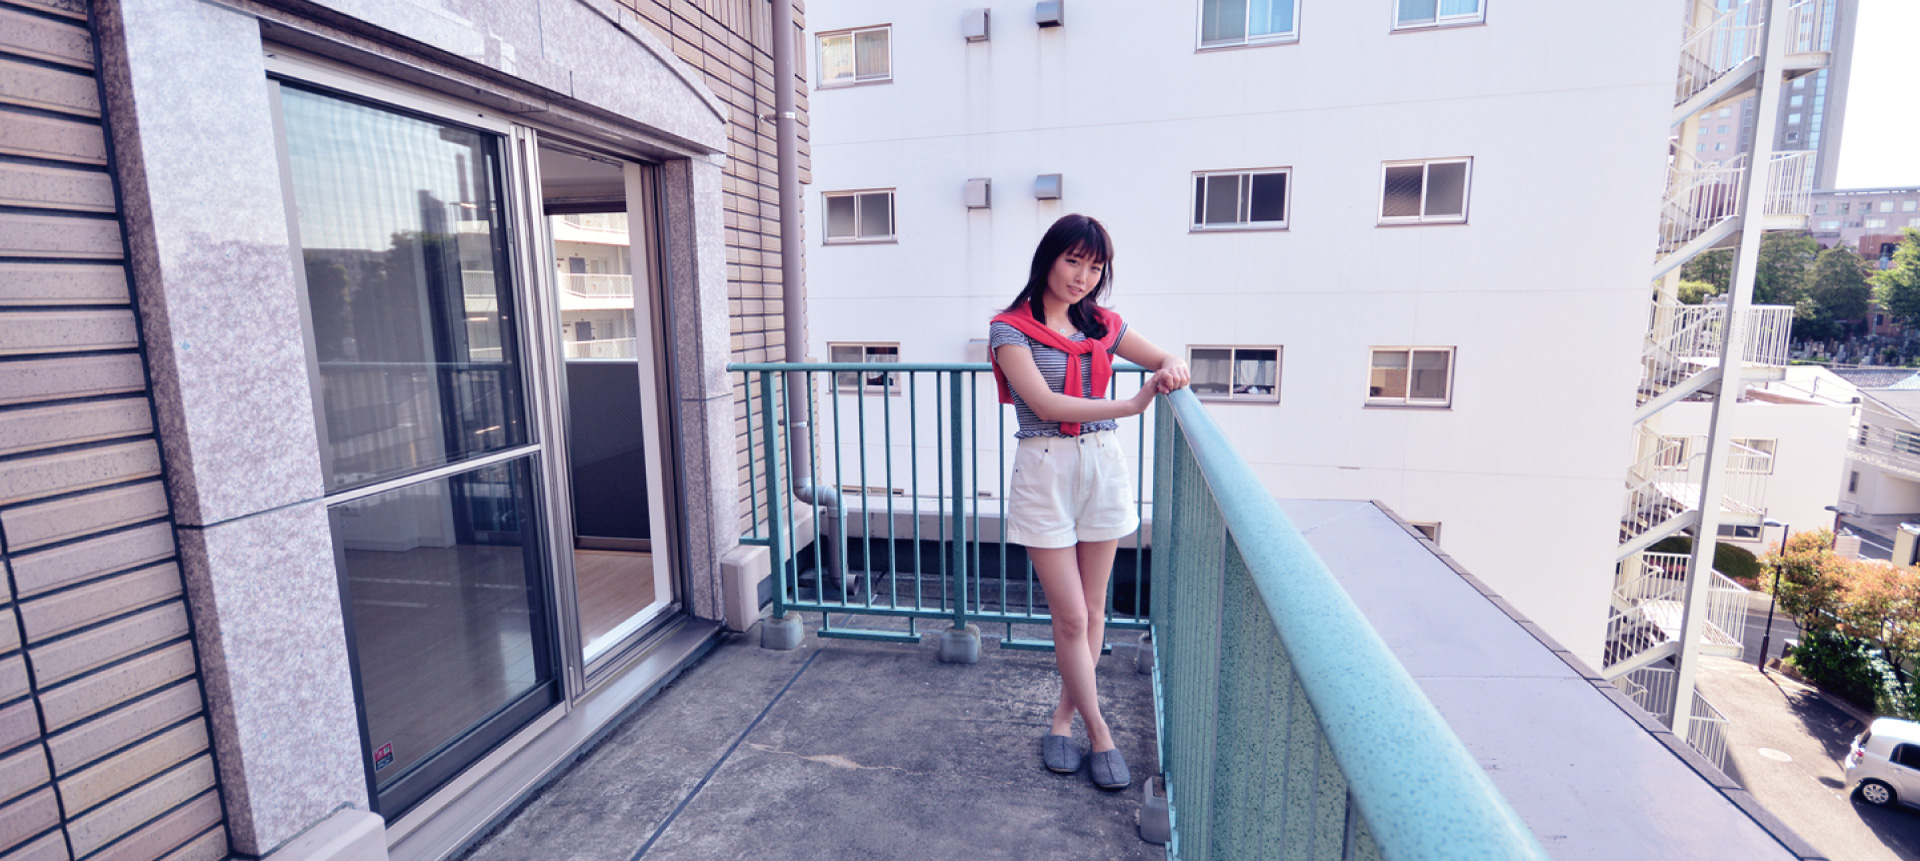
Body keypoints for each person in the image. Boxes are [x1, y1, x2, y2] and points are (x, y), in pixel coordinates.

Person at [988, 214, 1189, 791]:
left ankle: (1063, 719)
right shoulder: (1009, 329)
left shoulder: (1102, 325)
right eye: (1073, 261)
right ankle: (1101, 733)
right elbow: (1045, 405)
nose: (1083, 277)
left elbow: (1164, 358)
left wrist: (1173, 368)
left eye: (1095, 267)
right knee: (1071, 616)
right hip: (1045, 468)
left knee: (1094, 610)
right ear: (1049, 258)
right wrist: (1130, 406)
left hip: (1102, 464)